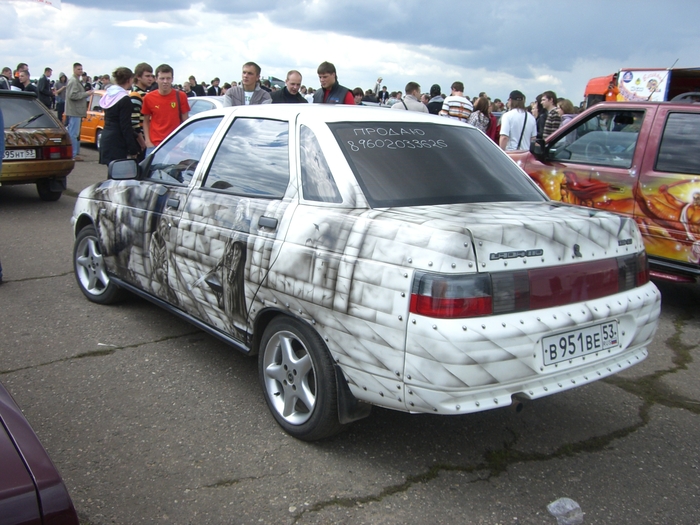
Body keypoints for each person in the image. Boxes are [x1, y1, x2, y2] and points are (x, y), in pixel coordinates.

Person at [141, 63, 190, 155]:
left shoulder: (181, 96)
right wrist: (147, 141)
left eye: (168, 78)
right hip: (155, 144)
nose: (165, 81)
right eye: (162, 78)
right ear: (156, 79)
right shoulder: (149, 97)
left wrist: (183, 141)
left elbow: (185, 121)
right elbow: (146, 121)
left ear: (172, 79)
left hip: (175, 144)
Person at [99, 67, 141, 166]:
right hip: (117, 141)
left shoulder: (109, 94)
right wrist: (133, 148)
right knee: (118, 172)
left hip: (106, 136)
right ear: (129, 80)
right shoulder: (124, 99)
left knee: (111, 170)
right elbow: (125, 126)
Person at [65, 63, 93, 161]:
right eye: (78, 69)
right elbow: (72, 95)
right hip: (74, 111)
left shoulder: (76, 80)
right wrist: (86, 94)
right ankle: (72, 154)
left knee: (73, 133)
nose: (80, 71)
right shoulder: (73, 81)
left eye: (81, 69)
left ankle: (73, 153)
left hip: (75, 110)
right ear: (74, 70)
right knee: (73, 133)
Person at [129, 62, 154, 161]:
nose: (150, 79)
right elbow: (134, 123)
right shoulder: (136, 95)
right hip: (141, 140)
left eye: (152, 76)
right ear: (138, 77)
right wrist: (142, 142)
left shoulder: (144, 93)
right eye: (147, 76)